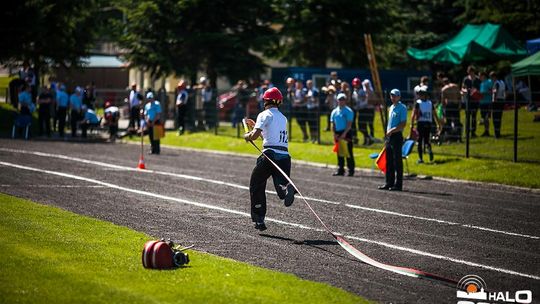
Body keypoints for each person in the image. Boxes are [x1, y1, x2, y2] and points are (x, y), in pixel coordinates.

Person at [243, 87, 295, 231]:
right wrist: (256, 127)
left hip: (269, 155)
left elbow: (253, 137)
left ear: (265, 100)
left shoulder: (264, 115)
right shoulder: (282, 117)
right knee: (280, 187)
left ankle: (259, 219)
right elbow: (268, 136)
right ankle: (286, 189)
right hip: (284, 157)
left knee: (256, 184)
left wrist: (247, 136)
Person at [379, 89, 407, 191]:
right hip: (389, 136)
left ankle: (398, 184)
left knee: (397, 161)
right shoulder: (391, 107)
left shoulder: (402, 108)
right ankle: (389, 182)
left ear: (399, 97)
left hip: (396, 136)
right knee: (389, 161)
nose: (393, 98)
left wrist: (392, 130)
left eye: (395, 96)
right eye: (391, 96)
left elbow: (403, 124)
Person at [410, 88, 441, 163]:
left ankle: (420, 159)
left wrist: (411, 124)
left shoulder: (418, 103)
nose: (419, 95)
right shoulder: (430, 103)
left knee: (420, 141)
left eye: (420, 94)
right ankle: (429, 150)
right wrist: (438, 124)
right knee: (427, 140)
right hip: (428, 123)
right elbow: (435, 114)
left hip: (421, 123)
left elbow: (413, 114)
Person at [331, 93, 355, 176]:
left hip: (346, 132)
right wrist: (334, 133)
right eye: (340, 99)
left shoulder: (348, 111)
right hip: (338, 133)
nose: (341, 101)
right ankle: (340, 169)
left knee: (348, 152)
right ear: (337, 100)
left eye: (343, 99)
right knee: (339, 152)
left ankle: (351, 170)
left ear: (345, 100)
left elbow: (349, 124)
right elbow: (333, 124)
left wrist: (344, 134)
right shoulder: (334, 111)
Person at [461, 65, 481, 138]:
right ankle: (467, 132)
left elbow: (480, 89)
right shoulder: (466, 79)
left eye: (471, 72)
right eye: (469, 72)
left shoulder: (478, 79)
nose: (470, 73)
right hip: (468, 99)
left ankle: (473, 132)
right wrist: (467, 91)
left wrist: (475, 91)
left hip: (475, 100)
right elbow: (462, 89)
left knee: (474, 116)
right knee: (467, 117)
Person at [352, 77, 371, 145]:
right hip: (358, 110)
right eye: (355, 84)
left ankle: (368, 139)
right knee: (360, 126)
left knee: (362, 126)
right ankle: (367, 139)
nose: (356, 85)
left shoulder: (362, 91)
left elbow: (364, 101)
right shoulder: (354, 92)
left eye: (357, 84)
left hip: (363, 109)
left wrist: (359, 105)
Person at [490, 71, 506, 139]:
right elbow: (505, 91)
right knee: (499, 118)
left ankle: (496, 134)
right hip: (502, 100)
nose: (491, 79)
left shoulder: (496, 83)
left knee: (495, 118)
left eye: (491, 77)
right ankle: (498, 132)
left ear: (494, 77)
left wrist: (494, 100)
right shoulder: (502, 82)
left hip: (496, 101)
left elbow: (495, 91)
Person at [479, 72, 493, 137]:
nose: (479, 77)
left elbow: (491, 91)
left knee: (487, 117)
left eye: (480, 76)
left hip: (487, 102)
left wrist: (484, 93)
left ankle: (487, 131)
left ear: (483, 76)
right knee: (484, 117)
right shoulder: (481, 83)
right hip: (482, 102)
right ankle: (486, 131)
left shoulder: (489, 82)